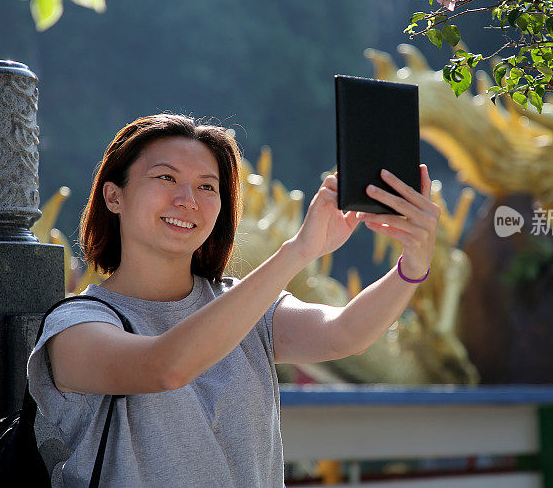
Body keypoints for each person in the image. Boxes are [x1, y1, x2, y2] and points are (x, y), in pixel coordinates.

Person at [27, 113, 439, 487]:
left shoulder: (243, 304)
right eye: (166, 178)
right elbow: (165, 367)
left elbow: (346, 333)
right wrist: (298, 250)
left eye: (207, 186)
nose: (187, 199)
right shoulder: (75, 326)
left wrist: (413, 264)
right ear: (113, 196)